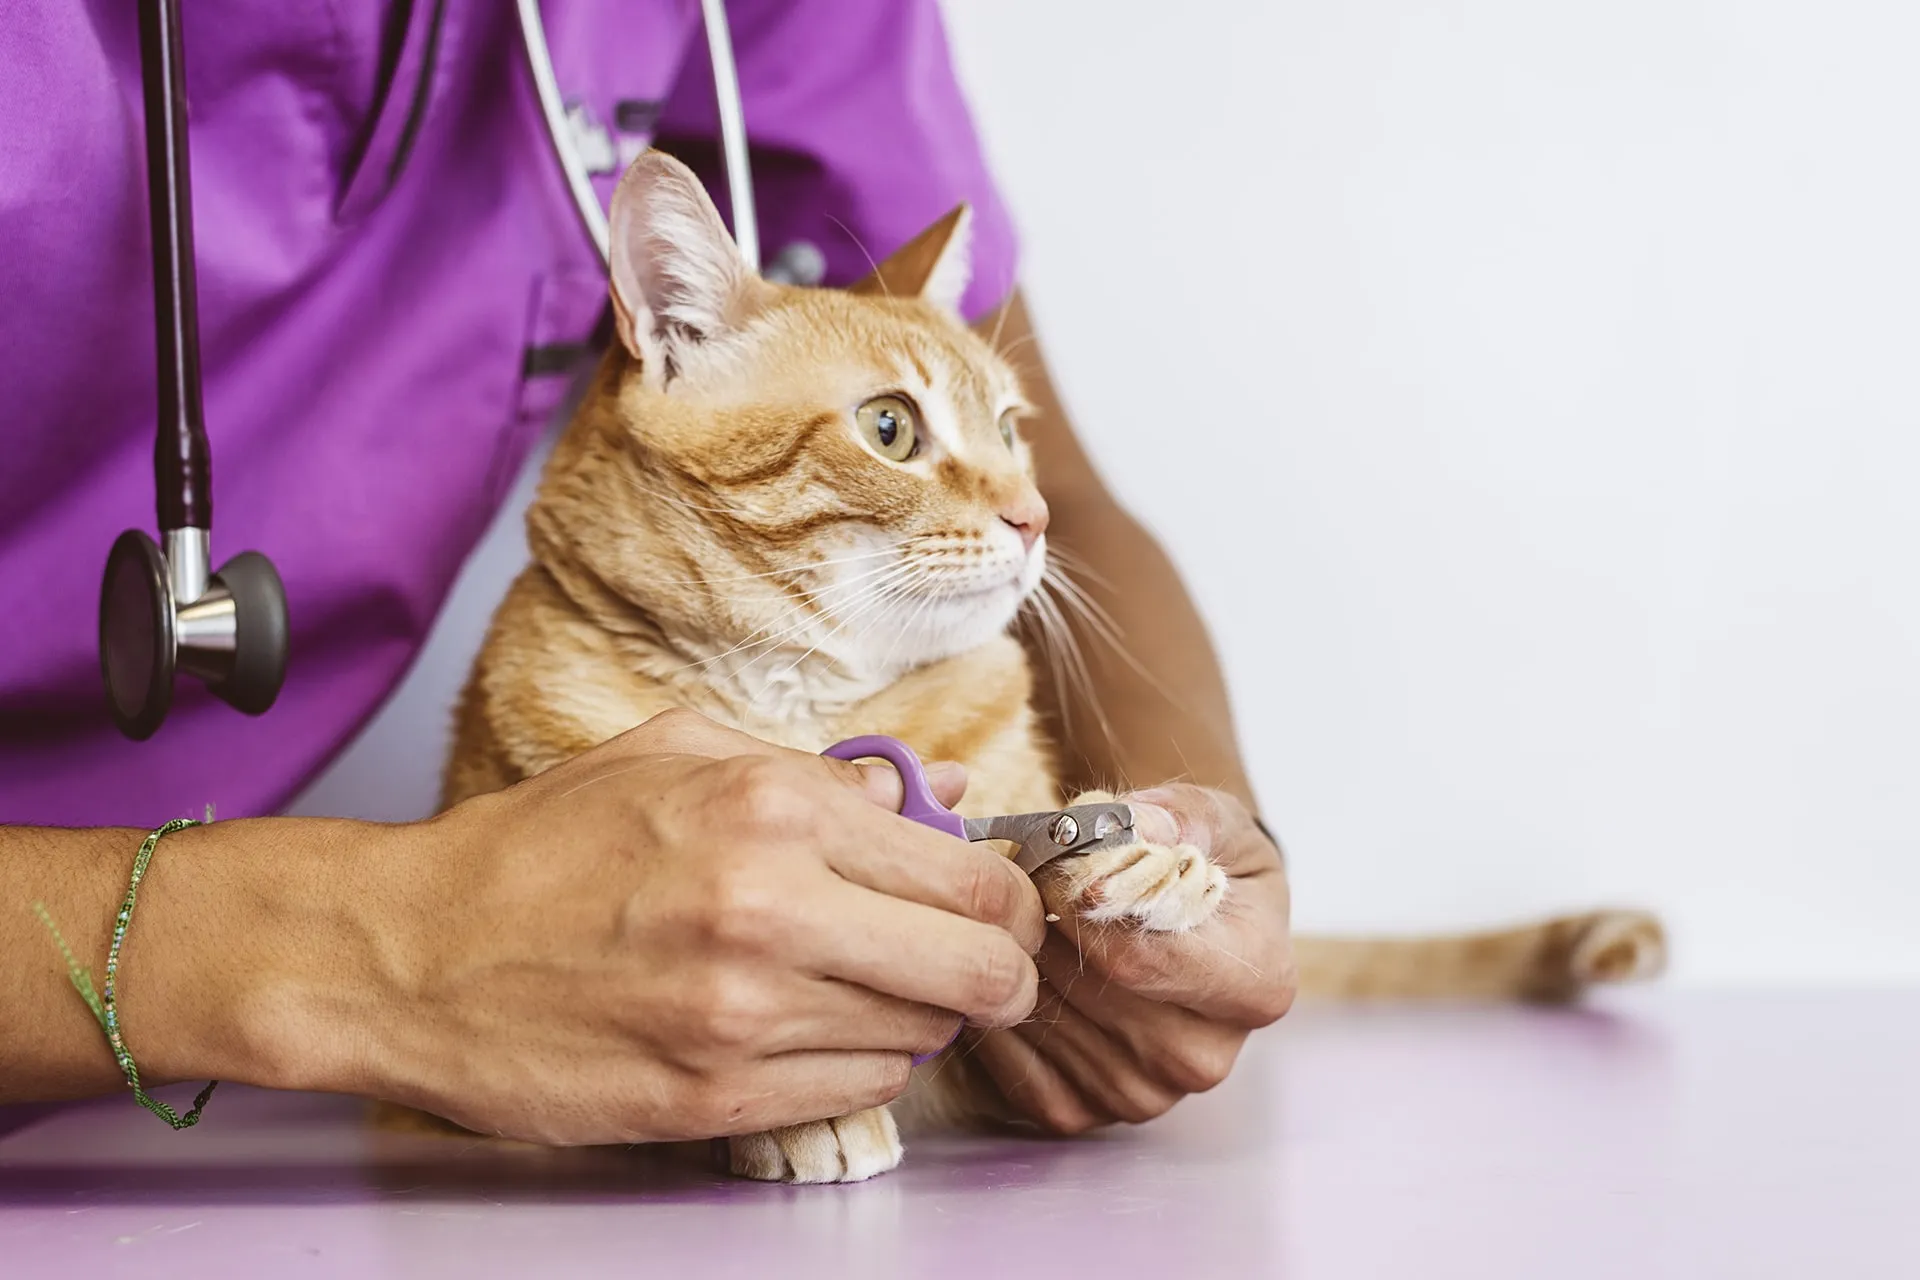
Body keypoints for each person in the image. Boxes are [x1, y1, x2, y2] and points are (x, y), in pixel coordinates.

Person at [0, 1, 1293, 1143]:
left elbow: (1039, 498)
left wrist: (1192, 854)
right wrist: (378, 948)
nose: (1008, 503)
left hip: (169, 1125)